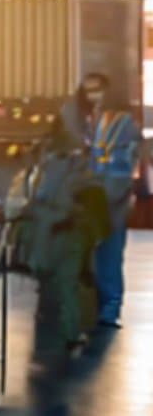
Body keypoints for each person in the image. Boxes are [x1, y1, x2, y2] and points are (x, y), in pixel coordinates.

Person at [17, 115, 105, 368]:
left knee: (54, 286)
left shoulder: (49, 171)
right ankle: (67, 335)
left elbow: (36, 200)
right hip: (65, 233)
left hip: (55, 233)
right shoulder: (76, 170)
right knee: (64, 286)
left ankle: (58, 336)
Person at [70, 72, 140, 327]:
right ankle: (96, 306)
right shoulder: (89, 121)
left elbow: (123, 166)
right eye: (88, 91)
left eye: (96, 90)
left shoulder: (123, 124)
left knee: (108, 256)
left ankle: (110, 308)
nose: (92, 95)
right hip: (91, 200)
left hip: (110, 201)